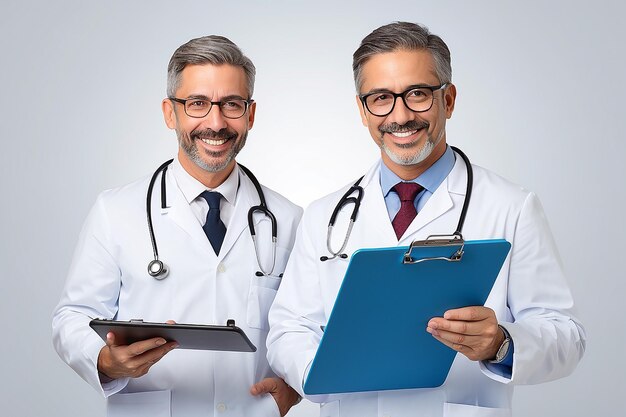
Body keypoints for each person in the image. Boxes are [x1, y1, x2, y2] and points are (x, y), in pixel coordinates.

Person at [266, 22, 586, 416]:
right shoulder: (324, 216)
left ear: (448, 100)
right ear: (362, 111)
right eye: (381, 98)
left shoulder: (510, 207)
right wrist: (320, 373)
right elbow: (288, 329)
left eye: (418, 94)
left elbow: (566, 336)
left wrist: (500, 344)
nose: (400, 115)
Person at [52, 35, 302, 417]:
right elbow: (72, 317)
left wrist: (292, 391)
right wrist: (104, 359)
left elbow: (309, 327)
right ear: (171, 113)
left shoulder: (288, 219)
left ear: (250, 115)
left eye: (231, 105)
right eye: (198, 104)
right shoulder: (115, 211)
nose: (215, 123)